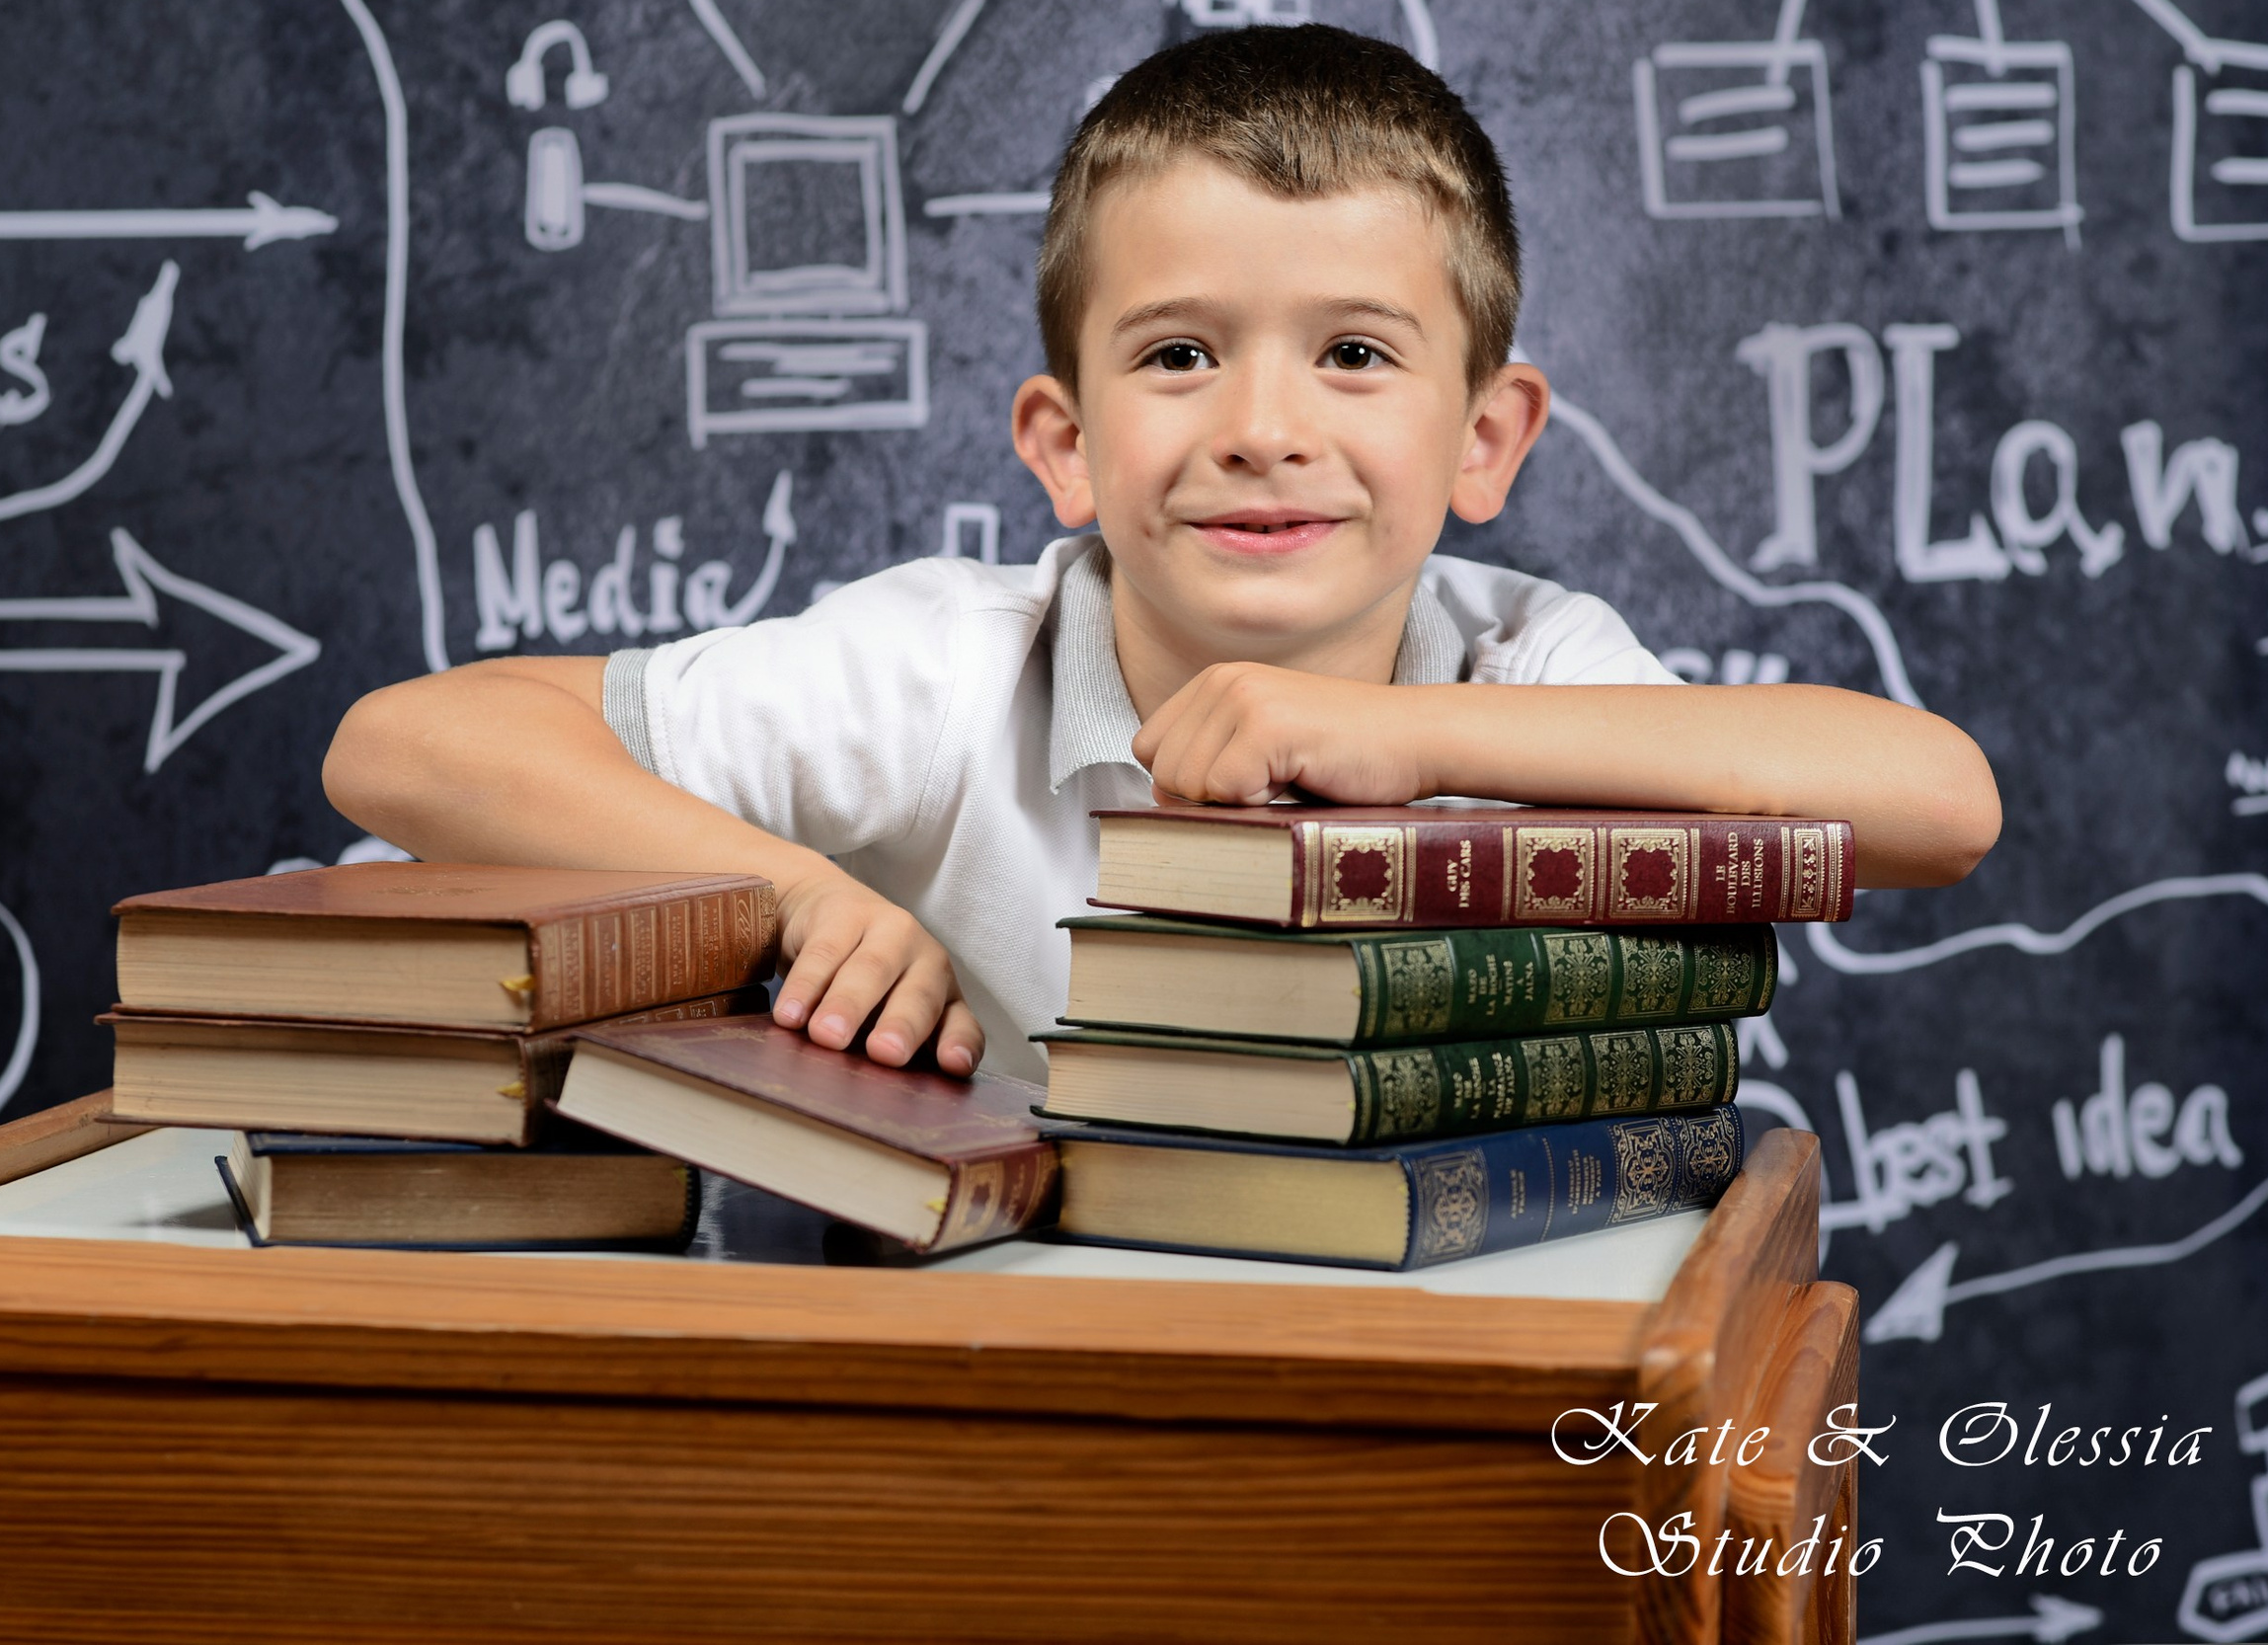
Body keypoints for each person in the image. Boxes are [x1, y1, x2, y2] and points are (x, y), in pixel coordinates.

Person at [324, 25, 1999, 1084]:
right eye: (1180, 355)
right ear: (1062, 442)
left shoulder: (1520, 666)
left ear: (1483, 439)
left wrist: (1405, 740)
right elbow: (402, 742)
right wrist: (797, 895)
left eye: (1353, 354)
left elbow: (1936, 804)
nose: (1262, 426)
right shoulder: (946, 669)